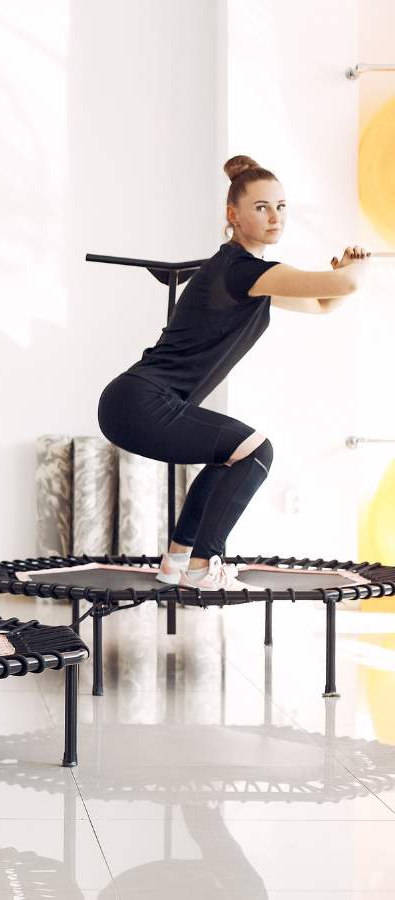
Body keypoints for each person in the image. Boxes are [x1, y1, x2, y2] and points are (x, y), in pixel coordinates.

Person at [98, 155, 370, 590]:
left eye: (281, 207)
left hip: (138, 403)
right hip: (141, 401)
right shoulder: (239, 270)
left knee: (233, 455)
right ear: (233, 215)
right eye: (261, 207)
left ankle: (178, 562)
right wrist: (356, 266)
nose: (274, 217)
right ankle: (205, 567)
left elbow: (323, 304)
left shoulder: (252, 277)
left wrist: (341, 277)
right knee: (257, 451)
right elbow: (347, 286)